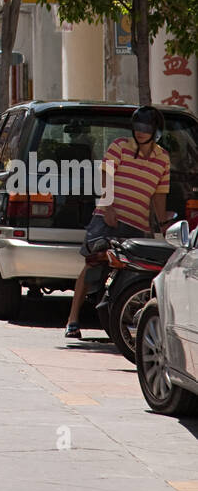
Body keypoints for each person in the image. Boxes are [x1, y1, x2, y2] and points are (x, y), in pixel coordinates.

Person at [65, 106, 172, 340]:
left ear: (156, 131)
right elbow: (105, 176)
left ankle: (124, 325)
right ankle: (73, 319)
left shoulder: (163, 158)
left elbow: (159, 195)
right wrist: (109, 205)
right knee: (92, 265)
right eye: (138, 127)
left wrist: (162, 223)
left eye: (146, 128)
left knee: (134, 275)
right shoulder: (120, 146)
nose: (141, 133)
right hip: (108, 218)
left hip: (137, 225)